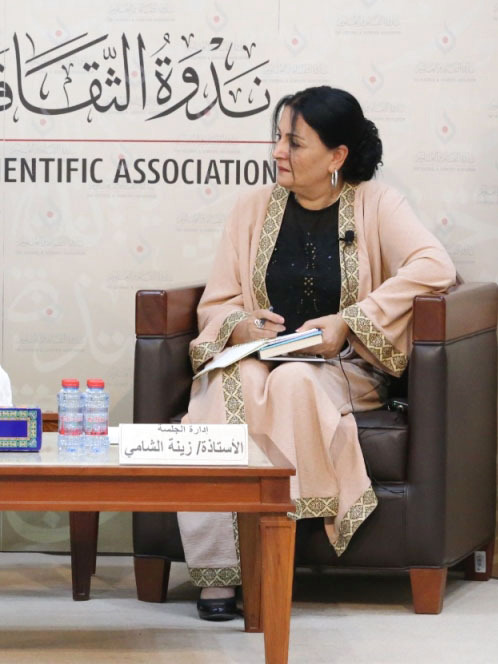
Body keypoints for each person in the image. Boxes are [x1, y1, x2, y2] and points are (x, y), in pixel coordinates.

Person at [178, 86, 456, 621]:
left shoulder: (376, 203)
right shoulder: (252, 208)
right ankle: (219, 572)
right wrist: (242, 324)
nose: (278, 151)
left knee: (294, 382)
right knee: (225, 385)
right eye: (278, 138)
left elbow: (434, 266)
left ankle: (274, 553)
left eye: (295, 142)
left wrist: (349, 321)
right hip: (258, 359)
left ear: (336, 156)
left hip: (340, 367)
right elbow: (218, 301)